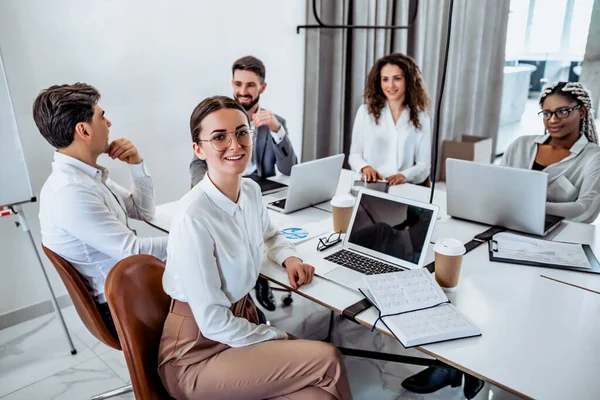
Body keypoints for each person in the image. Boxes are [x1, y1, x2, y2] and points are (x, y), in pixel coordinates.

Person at [159, 95, 352, 400]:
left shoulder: (249, 191)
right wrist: (276, 336)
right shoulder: (193, 217)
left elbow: (271, 236)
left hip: (238, 329)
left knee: (321, 396)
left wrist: (290, 259)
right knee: (328, 359)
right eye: (219, 137)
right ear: (199, 149)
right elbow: (211, 322)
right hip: (196, 353)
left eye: (241, 132)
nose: (235, 145)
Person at [35, 83, 167, 336]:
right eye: (102, 116)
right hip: (125, 307)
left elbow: (143, 210)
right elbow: (132, 251)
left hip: (133, 287)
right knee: (226, 286)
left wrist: (136, 164)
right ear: (83, 130)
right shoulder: (72, 192)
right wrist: (198, 238)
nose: (109, 124)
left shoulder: (86, 176)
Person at [190, 55, 298, 313]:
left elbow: (289, 169)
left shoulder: (275, 121)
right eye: (238, 84)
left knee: (272, 230)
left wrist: (275, 129)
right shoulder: (216, 118)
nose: (242, 91)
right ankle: (255, 283)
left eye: (250, 85)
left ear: (262, 87)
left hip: (260, 190)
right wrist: (206, 191)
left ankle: (258, 280)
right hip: (222, 189)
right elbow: (197, 162)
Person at [501, 81, 600, 223]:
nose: (553, 120)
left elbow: (586, 211)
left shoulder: (593, 157)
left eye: (562, 112)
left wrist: (529, 206)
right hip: (507, 225)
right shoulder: (521, 145)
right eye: (547, 113)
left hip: (559, 236)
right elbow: (498, 189)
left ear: (582, 111)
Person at [349, 53, 431, 186]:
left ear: (408, 81)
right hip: (372, 185)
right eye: (385, 79)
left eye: (397, 78)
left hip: (404, 187)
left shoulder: (422, 117)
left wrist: (404, 176)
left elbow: (424, 166)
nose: (390, 85)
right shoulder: (365, 112)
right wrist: (365, 167)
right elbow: (355, 155)